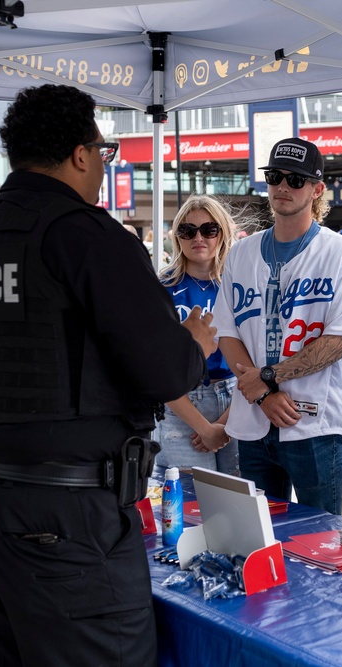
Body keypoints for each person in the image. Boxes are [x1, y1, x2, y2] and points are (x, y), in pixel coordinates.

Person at [0, 84, 216, 667]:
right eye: (104, 151)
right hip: (60, 509)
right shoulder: (84, 234)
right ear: (81, 154)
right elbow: (164, 369)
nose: (102, 165)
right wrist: (194, 341)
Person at [213, 137, 342, 514]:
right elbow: (226, 332)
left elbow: (341, 340)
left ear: (317, 189)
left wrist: (268, 377)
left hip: (314, 426)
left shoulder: (340, 251)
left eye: (296, 180)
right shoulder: (242, 252)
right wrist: (264, 394)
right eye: (275, 176)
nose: (283, 186)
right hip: (253, 421)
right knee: (259, 542)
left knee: (320, 539)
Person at [155, 195, 239, 476]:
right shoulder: (160, 289)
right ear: (177, 237)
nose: (198, 237)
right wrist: (204, 429)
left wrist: (225, 426)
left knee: (238, 506)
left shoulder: (241, 286)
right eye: (187, 231)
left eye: (209, 230)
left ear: (223, 233)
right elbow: (159, 372)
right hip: (180, 407)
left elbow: (257, 360)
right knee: (190, 507)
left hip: (237, 400)